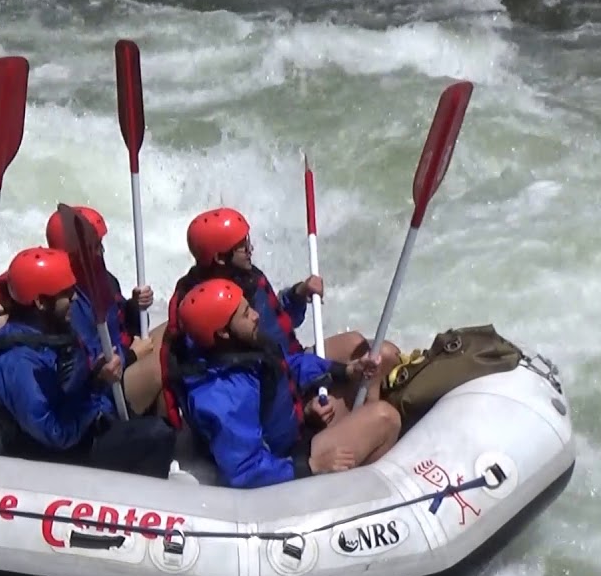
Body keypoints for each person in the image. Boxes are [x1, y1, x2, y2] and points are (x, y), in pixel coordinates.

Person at [165, 207, 400, 417]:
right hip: (278, 388)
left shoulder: (247, 276)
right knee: (376, 369)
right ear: (220, 258)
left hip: (292, 362)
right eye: (242, 246)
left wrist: (298, 293)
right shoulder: (210, 311)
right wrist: (338, 375)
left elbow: (278, 322)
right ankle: (368, 426)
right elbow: (260, 367)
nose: (250, 249)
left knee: (376, 350)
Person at [173, 278, 401, 489]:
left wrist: (345, 370)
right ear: (223, 332)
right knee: (385, 418)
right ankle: (358, 498)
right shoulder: (224, 398)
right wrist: (310, 466)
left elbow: (287, 365)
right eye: (245, 314)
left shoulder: (237, 349)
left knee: (371, 376)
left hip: (294, 435)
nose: (256, 315)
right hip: (284, 465)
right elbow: (244, 471)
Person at [0, 247, 175, 478]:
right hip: (56, 454)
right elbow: (56, 434)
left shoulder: (49, 329)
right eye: (66, 292)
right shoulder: (17, 363)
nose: (73, 297)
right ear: (41, 302)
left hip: (79, 418)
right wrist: (97, 386)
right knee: (158, 435)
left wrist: (98, 376)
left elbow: (74, 379)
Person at [44, 205, 164, 415]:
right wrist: (132, 355)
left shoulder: (105, 280)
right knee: (161, 366)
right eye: (95, 245)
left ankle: (165, 420)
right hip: (103, 390)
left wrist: (135, 307)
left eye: (100, 244)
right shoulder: (66, 301)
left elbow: (126, 326)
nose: (101, 251)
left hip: (125, 361)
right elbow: (88, 367)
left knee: (173, 333)